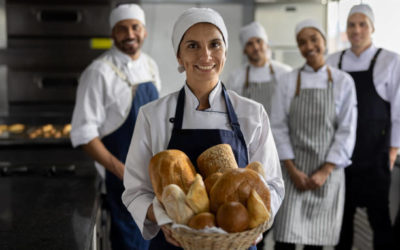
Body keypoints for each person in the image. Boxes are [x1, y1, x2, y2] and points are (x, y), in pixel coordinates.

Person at [121, 7, 285, 250]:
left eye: (215, 45)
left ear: (225, 52)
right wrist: (169, 222)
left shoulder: (252, 113)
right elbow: (135, 191)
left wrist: (249, 226)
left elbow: (272, 185)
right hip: (174, 245)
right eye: (193, 46)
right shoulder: (152, 115)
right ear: (179, 56)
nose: (206, 55)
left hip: (236, 243)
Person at [70, 4, 161, 250]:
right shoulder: (98, 72)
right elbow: (82, 133)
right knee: (131, 243)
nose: (129, 34)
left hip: (154, 181)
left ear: (144, 31)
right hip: (122, 183)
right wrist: (121, 170)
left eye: (135, 27)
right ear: (112, 33)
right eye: (122, 29)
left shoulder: (151, 66)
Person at [270, 19, 357, 250]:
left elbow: (347, 130)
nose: (308, 46)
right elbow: (278, 126)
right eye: (302, 42)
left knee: (315, 243)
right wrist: (292, 170)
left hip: (327, 175)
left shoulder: (343, 82)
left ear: (324, 41)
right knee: (284, 241)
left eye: (314, 39)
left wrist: (325, 171)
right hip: (292, 172)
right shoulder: (287, 80)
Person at [326, 4, 400, 250]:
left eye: (362, 24)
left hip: (376, 156)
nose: (356, 30)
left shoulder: (391, 61)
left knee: (380, 220)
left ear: (372, 28)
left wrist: (392, 152)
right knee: (341, 222)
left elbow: (399, 113)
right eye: (351, 25)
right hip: (341, 156)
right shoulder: (333, 60)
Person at [226, 21, 291, 115]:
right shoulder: (235, 77)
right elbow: (230, 109)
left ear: (267, 45)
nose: (256, 47)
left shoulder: (284, 73)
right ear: (244, 51)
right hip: (246, 129)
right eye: (249, 44)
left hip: (277, 129)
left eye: (259, 41)